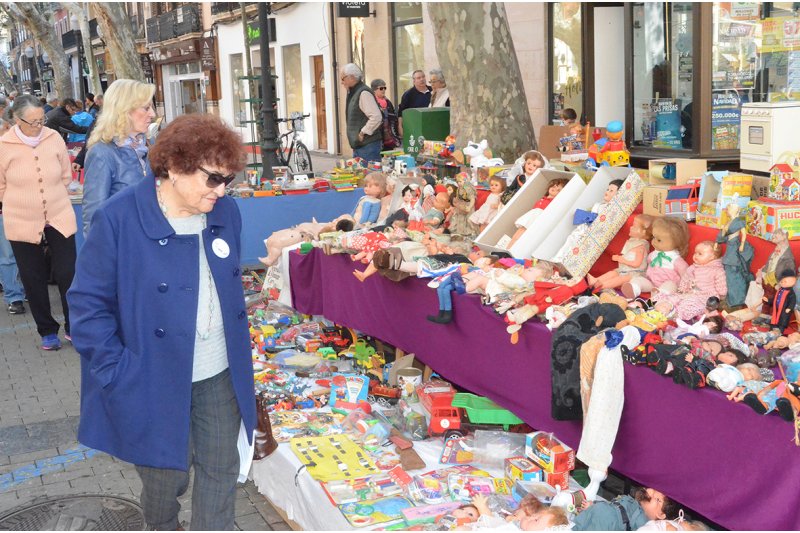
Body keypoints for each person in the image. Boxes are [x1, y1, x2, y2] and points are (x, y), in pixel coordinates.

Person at [67, 114, 256, 531]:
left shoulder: (226, 212)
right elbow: (86, 304)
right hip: (151, 373)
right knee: (164, 477)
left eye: (228, 181)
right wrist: (116, 371)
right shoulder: (120, 218)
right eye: (212, 179)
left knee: (220, 470)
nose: (221, 191)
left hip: (219, 368)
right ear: (173, 167)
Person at [0, 95, 77, 350]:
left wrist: (52, 195)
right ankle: (47, 330)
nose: (38, 125)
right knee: (33, 277)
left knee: (68, 272)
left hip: (58, 213)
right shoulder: (4, 145)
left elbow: (66, 174)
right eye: (32, 121)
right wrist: (22, 201)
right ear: (15, 120)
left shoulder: (52, 137)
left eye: (41, 119)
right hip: (21, 218)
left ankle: (73, 325)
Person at [81, 79, 156, 236]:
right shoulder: (102, 153)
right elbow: (94, 216)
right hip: (124, 245)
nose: (153, 114)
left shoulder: (149, 147)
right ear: (124, 110)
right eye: (146, 108)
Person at [0, 116, 27, 315]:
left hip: (23, 209)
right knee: (8, 255)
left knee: (24, 253)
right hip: (5, 210)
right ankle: (14, 296)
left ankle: (22, 291)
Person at [340, 63, 383, 164]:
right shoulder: (354, 92)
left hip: (367, 146)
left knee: (370, 177)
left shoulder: (363, 93)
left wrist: (363, 132)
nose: (342, 82)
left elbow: (376, 117)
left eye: (343, 78)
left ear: (352, 77)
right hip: (361, 145)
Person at [397, 69, 431, 136]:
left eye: (423, 77)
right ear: (414, 81)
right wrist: (400, 127)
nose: (422, 79)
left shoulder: (433, 91)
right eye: (418, 78)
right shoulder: (408, 95)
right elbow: (401, 112)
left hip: (431, 126)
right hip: (415, 128)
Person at [370, 78, 400, 150]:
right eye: (381, 88)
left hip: (390, 138)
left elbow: (394, 119)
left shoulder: (388, 102)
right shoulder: (371, 102)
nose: (383, 90)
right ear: (374, 90)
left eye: (385, 88)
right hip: (377, 138)